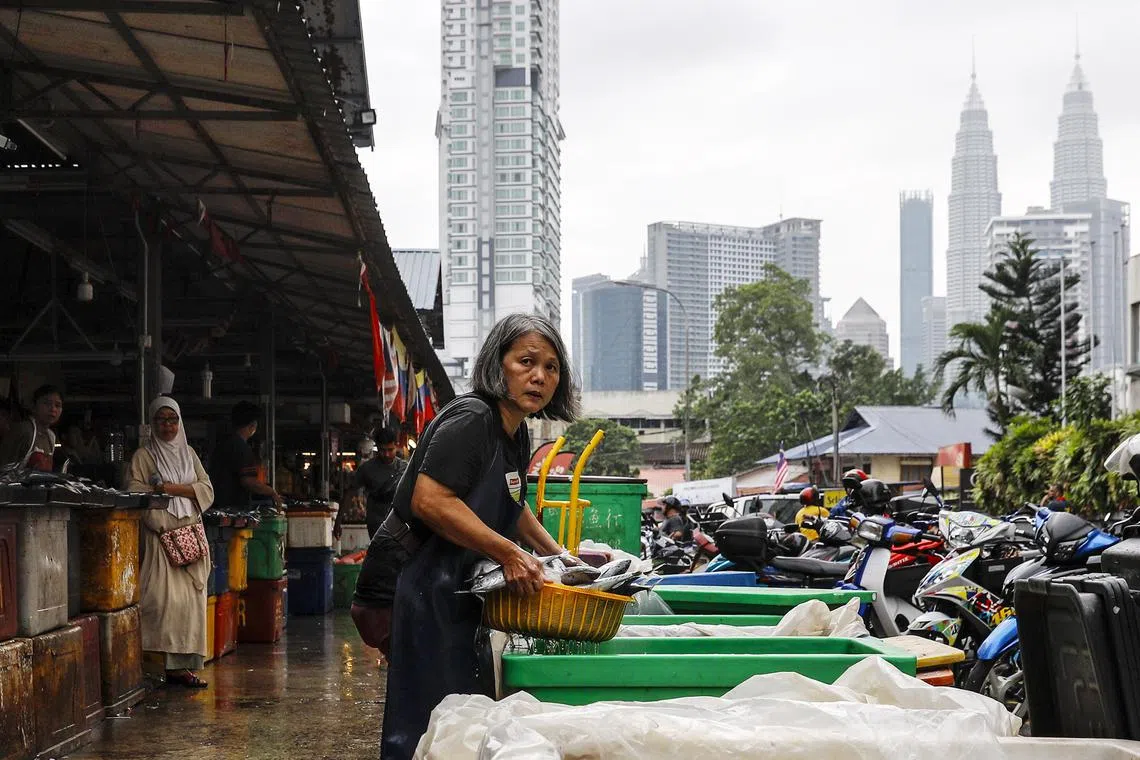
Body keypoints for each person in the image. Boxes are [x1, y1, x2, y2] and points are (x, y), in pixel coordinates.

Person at [355, 314, 578, 759]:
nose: (539, 376)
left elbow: (512, 505)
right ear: (498, 364)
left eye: (551, 367)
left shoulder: (515, 430)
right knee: (426, 716)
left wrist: (560, 556)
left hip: (451, 585)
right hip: (410, 584)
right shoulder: (473, 418)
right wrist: (510, 554)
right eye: (527, 362)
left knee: (462, 710)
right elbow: (431, 501)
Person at [126, 397, 215, 688]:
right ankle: (152, 665)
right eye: (161, 420)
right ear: (153, 424)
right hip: (160, 538)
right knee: (159, 603)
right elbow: (135, 491)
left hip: (190, 538)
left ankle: (180, 668)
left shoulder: (189, 454)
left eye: (172, 420)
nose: (168, 426)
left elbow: (206, 489)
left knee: (189, 606)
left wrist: (168, 488)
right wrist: (163, 517)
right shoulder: (144, 456)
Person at [208, 401, 283, 509]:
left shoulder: (222, 444)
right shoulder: (242, 448)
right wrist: (272, 492)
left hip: (216, 505)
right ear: (253, 425)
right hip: (233, 509)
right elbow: (248, 481)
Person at [337, 426, 407, 540]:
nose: (386, 454)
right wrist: (338, 521)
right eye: (382, 450)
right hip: (376, 523)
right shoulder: (367, 469)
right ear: (377, 447)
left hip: (399, 523)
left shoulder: (404, 468)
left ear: (396, 446)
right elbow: (350, 493)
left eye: (390, 450)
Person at [0, 384, 63, 470]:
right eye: (46, 403)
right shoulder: (24, 430)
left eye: (57, 405)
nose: (53, 409)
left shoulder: (51, 436)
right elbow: (4, 467)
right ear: (34, 406)